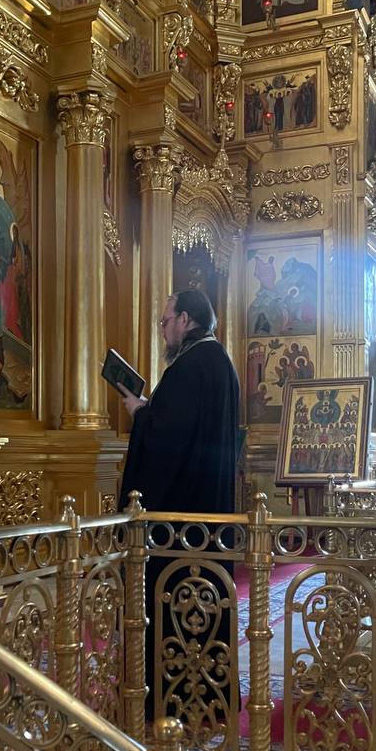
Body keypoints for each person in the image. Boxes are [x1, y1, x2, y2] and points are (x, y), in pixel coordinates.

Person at [118, 290, 241, 724]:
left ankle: (174, 696)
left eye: (165, 320)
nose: (163, 329)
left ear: (186, 319)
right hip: (208, 515)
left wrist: (139, 413)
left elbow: (168, 442)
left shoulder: (189, 367)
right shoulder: (221, 363)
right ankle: (209, 692)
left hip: (178, 524)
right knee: (206, 600)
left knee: (176, 601)